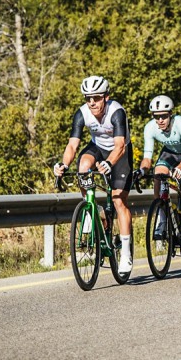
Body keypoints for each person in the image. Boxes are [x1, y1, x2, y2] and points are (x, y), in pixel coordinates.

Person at [53, 76, 134, 275]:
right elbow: (72, 145)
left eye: (96, 98)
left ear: (106, 97)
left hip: (119, 153)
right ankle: (91, 209)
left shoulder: (117, 112)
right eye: (88, 98)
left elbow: (120, 146)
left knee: (118, 201)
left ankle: (126, 253)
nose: (91, 102)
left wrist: (109, 163)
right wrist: (64, 164)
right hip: (97, 147)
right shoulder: (82, 113)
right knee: (83, 166)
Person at [133, 95, 181, 254]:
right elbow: (147, 158)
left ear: (170, 114)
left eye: (164, 116)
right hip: (169, 153)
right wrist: (142, 170)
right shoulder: (150, 128)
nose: (160, 120)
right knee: (158, 174)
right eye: (156, 116)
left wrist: (180, 168)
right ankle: (162, 219)